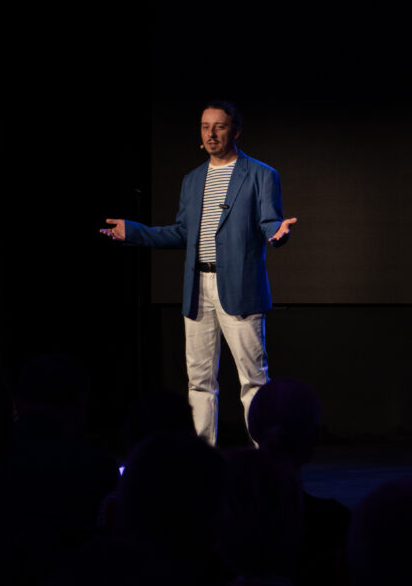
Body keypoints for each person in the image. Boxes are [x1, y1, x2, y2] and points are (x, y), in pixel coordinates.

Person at [101, 100, 297, 445]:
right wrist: (134, 232)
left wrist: (278, 234)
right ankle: (200, 453)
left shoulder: (261, 174)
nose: (211, 134)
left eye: (219, 126)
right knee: (199, 380)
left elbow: (269, 222)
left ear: (235, 131)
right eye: (206, 127)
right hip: (198, 288)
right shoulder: (192, 180)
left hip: (239, 287)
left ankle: (265, 454)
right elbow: (182, 233)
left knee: (253, 378)